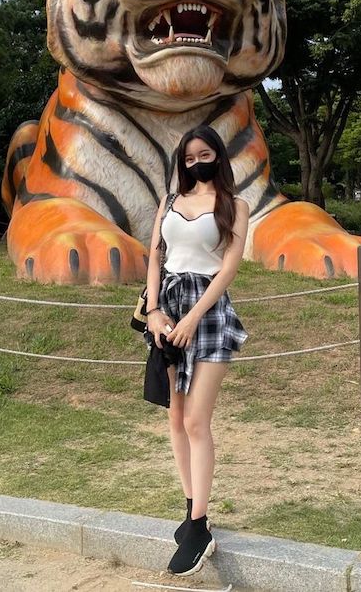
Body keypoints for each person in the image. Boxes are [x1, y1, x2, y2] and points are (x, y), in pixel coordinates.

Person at [143, 125, 249, 577]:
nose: (196, 164)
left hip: (209, 312)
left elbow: (228, 269)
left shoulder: (234, 205)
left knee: (195, 421)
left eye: (204, 155)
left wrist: (192, 319)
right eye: (188, 158)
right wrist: (154, 311)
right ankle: (190, 512)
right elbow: (155, 256)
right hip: (167, 310)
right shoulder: (169, 202)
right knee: (175, 418)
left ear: (218, 156)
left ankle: (201, 525)